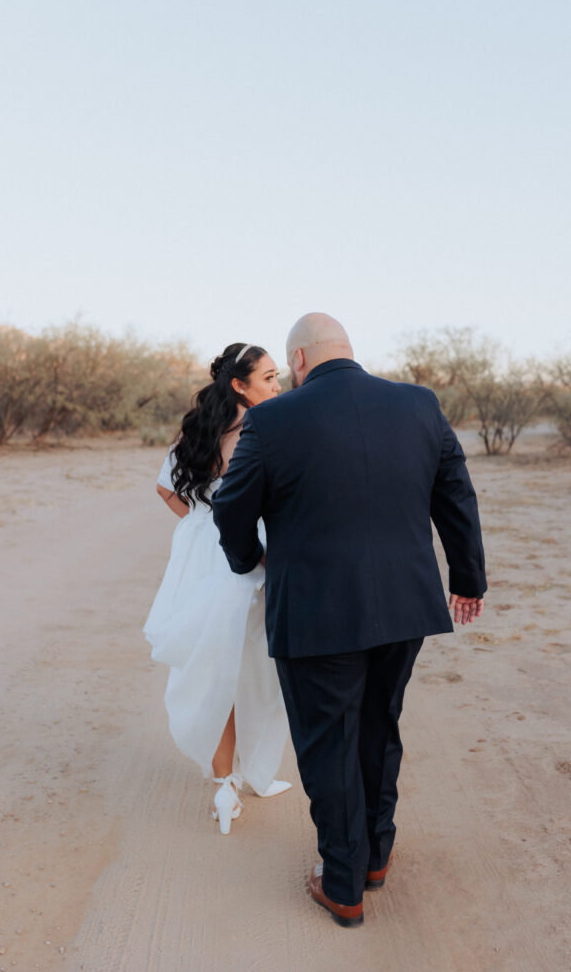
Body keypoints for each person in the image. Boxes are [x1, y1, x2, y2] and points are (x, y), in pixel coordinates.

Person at [213, 313, 486, 924]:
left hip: (314, 612)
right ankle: (374, 858)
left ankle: (342, 883)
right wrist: (467, 580)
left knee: (327, 741)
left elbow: (230, 506)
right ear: (347, 351)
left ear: (301, 360)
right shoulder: (418, 404)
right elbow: (456, 495)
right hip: (404, 606)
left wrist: (250, 560)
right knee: (378, 726)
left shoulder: (271, 419)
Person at [143, 342, 291, 835]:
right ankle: (246, 775)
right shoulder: (259, 429)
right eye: (269, 377)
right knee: (256, 668)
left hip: (202, 556)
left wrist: (200, 524)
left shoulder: (200, 427)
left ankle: (227, 782)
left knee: (220, 666)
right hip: (246, 557)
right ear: (240, 384)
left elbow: (166, 488)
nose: (278, 385)